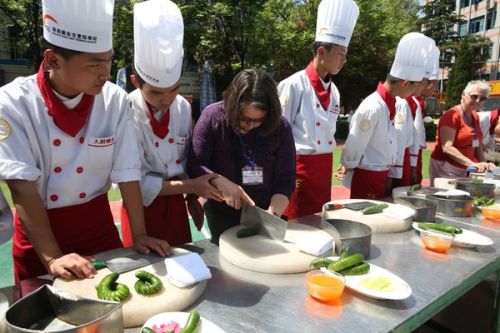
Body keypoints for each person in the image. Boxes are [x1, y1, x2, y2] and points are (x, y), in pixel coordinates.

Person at [0, 0, 169, 284]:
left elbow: (128, 173)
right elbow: (22, 186)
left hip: (99, 230)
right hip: (41, 238)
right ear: (53, 60)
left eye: (109, 60)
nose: (105, 72)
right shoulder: (13, 103)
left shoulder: (114, 99)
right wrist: (53, 257)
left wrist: (139, 235)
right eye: (94, 64)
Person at [120, 0, 223, 247]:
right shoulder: (124, 110)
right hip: (140, 209)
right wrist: (191, 187)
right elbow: (135, 182)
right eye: (156, 93)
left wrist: (190, 198)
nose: (166, 100)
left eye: (174, 89)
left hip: (176, 204)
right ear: (136, 81)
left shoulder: (183, 107)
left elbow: (185, 159)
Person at [187, 69, 296, 244]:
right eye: (244, 118)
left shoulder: (280, 127)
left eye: (258, 120)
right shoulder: (212, 117)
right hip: (221, 214)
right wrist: (219, 181)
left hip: (266, 211)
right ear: (231, 104)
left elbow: (286, 178)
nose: (250, 125)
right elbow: (195, 164)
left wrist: (272, 214)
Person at [277, 0, 359, 219]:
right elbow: (278, 134)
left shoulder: (335, 92)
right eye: (341, 54)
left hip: (323, 170)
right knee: (294, 226)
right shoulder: (293, 85)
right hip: (298, 169)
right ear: (322, 51)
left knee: (318, 223)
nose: (344, 60)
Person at [340, 32, 432, 199]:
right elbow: (355, 143)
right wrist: (349, 165)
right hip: (368, 174)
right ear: (405, 83)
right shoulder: (373, 106)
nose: (415, 91)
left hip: (381, 173)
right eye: (415, 86)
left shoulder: (389, 104)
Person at [389, 35, 436, 189]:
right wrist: (412, 165)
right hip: (400, 159)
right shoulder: (404, 101)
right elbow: (402, 136)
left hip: (408, 156)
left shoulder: (415, 102)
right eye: (432, 84)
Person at [430, 80, 496, 185]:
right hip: (446, 168)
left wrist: (483, 163)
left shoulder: (475, 116)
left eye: (483, 98)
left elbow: (477, 143)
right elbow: (447, 147)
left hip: (465, 168)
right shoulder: (451, 116)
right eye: (474, 96)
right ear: (463, 95)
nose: (478, 101)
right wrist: (472, 164)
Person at [409, 45, 440, 185]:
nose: (435, 89)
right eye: (433, 84)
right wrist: (413, 165)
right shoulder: (411, 100)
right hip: (409, 156)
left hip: (415, 155)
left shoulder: (419, 101)